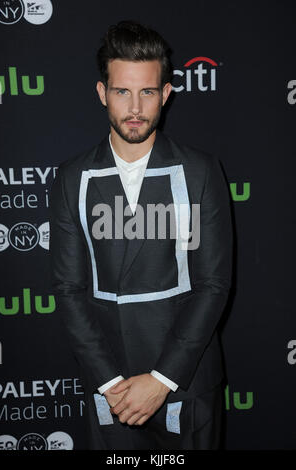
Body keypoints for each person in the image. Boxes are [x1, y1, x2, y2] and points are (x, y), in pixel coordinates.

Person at [49, 20, 233, 450]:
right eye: (122, 91)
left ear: (165, 94)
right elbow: (68, 288)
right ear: (102, 93)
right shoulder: (71, 179)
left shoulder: (200, 172)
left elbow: (212, 284)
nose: (135, 107)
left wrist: (161, 379)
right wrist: (111, 381)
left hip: (186, 384)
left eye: (147, 92)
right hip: (109, 386)